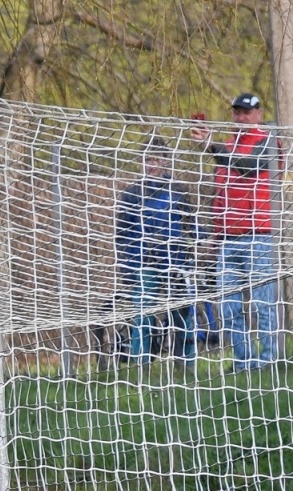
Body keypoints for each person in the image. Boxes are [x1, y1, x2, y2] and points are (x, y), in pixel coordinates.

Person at [190, 92, 278, 370]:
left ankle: (270, 360)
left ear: (258, 114)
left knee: (263, 304)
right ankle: (244, 361)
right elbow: (220, 199)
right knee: (228, 308)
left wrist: (211, 147)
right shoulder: (227, 147)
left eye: (246, 113)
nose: (241, 117)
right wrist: (214, 236)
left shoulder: (268, 142)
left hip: (258, 236)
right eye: (237, 112)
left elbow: (249, 167)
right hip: (227, 241)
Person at [115, 139, 199, 366]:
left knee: (182, 314)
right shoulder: (132, 193)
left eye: (156, 159)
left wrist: (199, 248)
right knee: (143, 314)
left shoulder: (178, 190)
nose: (151, 164)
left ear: (165, 161)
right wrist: (127, 268)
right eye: (147, 160)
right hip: (144, 262)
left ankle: (186, 363)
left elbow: (192, 226)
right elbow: (121, 235)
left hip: (175, 261)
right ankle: (141, 364)